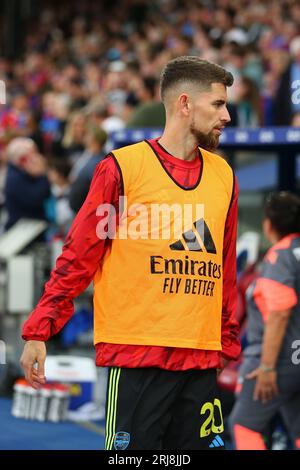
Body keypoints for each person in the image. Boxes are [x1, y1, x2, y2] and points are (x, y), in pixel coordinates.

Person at [20, 56, 241, 450]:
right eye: (218, 104)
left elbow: (224, 264)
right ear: (185, 103)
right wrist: (41, 328)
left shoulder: (223, 175)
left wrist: (225, 338)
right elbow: (80, 254)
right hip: (139, 353)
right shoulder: (122, 169)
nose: (226, 115)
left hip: (201, 355)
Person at [229, 192, 300, 450]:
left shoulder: (279, 256)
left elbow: (280, 312)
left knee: (243, 425)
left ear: (268, 225)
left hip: (276, 362)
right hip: (296, 361)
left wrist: (268, 367)